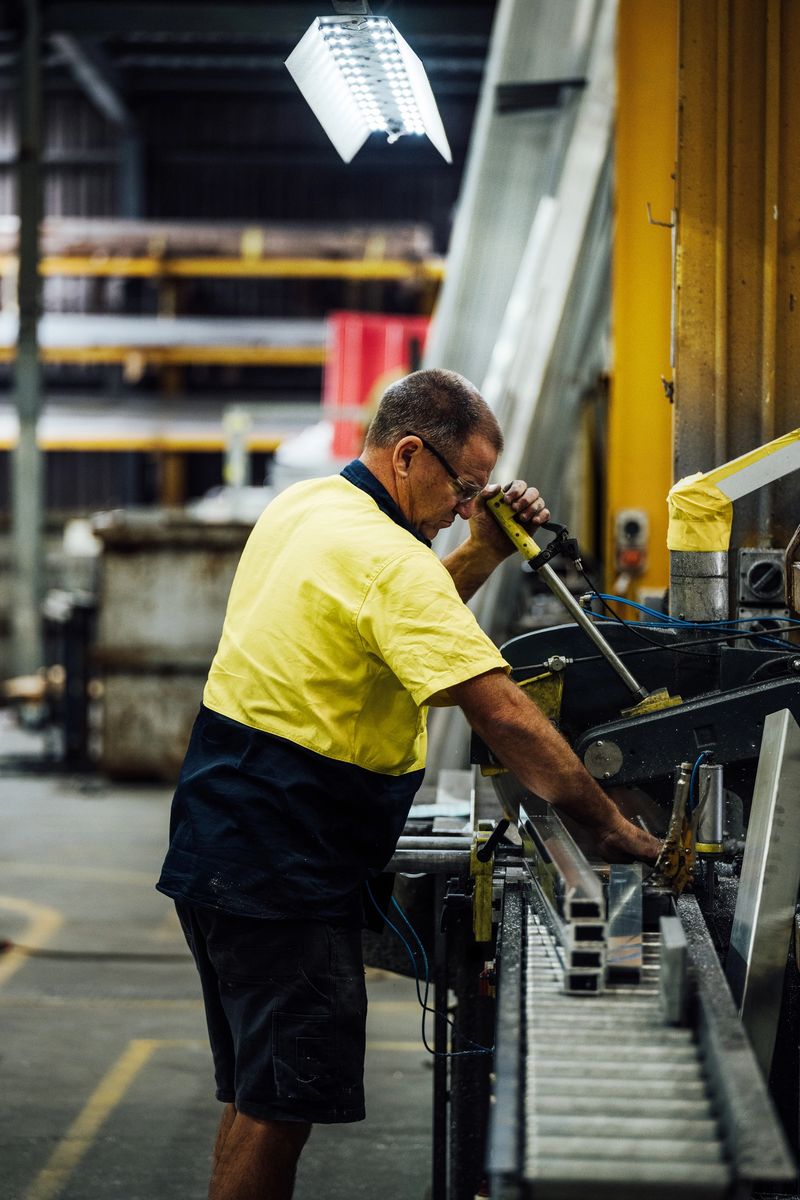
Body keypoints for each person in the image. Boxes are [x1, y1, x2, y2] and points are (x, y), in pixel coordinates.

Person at [156, 368, 660, 1200]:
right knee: (278, 1109)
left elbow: (406, 629)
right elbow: (503, 713)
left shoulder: (309, 507)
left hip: (223, 833)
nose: (470, 505)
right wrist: (607, 824)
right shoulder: (390, 559)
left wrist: (487, 549)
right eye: (465, 488)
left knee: (259, 1095)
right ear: (409, 454)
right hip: (285, 861)